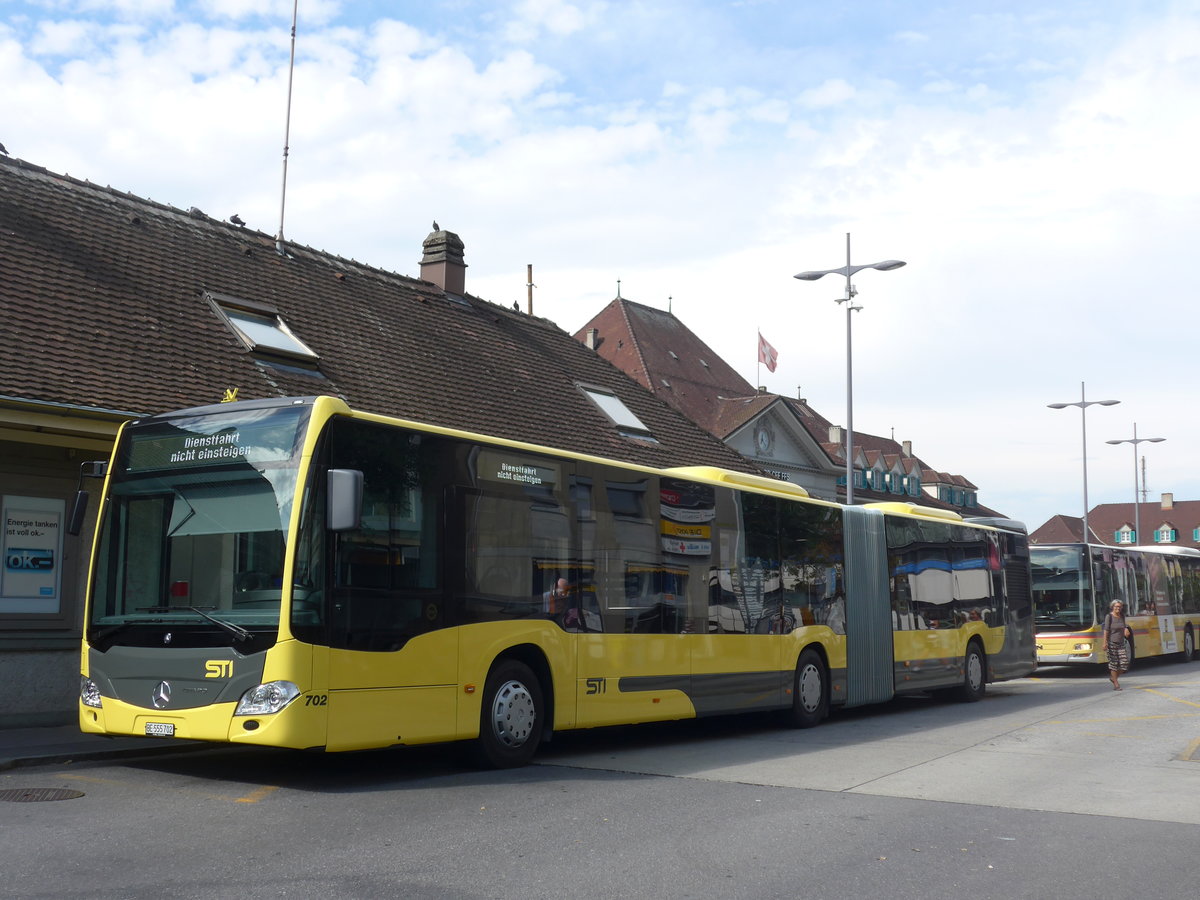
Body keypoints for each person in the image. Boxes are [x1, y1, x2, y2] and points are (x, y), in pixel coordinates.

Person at [1102, 599, 1132, 690]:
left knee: (1124, 664)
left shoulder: (1122, 616)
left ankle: (1113, 678)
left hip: (1121, 643)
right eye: (1116, 606)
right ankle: (1116, 684)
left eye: (1119, 606)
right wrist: (1104, 643)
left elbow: (1124, 625)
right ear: (1112, 607)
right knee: (1113, 664)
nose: (1118, 608)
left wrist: (1126, 629)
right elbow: (1106, 630)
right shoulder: (1109, 617)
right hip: (1111, 643)